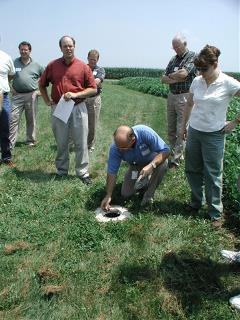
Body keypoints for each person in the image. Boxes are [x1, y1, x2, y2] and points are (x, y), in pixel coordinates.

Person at [180, 45, 240, 227]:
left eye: (204, 69)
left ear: (215, 64)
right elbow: (189, 104)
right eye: (199, 69)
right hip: (195, 131)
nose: (201, 72)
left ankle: (215, 212)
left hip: (214, 135)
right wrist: (184, 126)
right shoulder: (197, 81)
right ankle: (196, 202)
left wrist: (235, 122)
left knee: (213, 173)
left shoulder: (228, 83)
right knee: (192, 169)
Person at [39, 36, 97, 183]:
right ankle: (62, 171)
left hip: (78, 107)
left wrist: (76, 94)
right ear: (60, 48)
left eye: (70, 46)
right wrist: (47, 101)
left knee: (81, 141)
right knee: (61, 141)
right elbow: (42, 84)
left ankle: (82, 172)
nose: (68, 48)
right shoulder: (52, 65)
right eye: (65, 46)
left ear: (75, 46)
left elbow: (92, 89)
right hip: (59, 107)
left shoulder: (83, 67)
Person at [100, 125, 170, 210]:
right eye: (118, 146)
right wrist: (108, 195)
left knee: (163, 164)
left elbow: (166, 151)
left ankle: (148, 196)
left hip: (154, 162)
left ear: (133, 140)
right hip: (135, 166)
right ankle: (145, 181)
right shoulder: (116, 148)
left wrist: (152, 165)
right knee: (126, 194)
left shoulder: (145, 133)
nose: (120, 150)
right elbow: (112, 172)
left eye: (123, 148)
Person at [162, 34, 197, 169]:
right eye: (174, 47)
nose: (175, 49)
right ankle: (174, 152)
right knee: (171, 127)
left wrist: (173, 76)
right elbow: (163, 78)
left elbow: (185, 74)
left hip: (185, 96)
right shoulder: (173, 59)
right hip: (172, 95)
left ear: (185, 44)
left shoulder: (193, 56)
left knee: (181, 128)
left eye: (177, 46)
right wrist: (175, 77)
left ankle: (175, 160)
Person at [9, 41, 44, 148]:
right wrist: (11, 88)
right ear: (19, 50)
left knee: (31, 119)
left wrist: (38, 92)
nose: (23, 51)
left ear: (30, 51)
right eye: (21, 49)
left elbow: (45, 79)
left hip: (31, 95)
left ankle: (30, 140)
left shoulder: (37, 65)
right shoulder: (14, 63)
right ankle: (10, 143)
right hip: (17, 96)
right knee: (13, 119)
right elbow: (8, 77)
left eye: (26, 49)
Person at [85, 49, 105, 152]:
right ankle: (80, 143)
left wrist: (85, 82)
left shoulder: (100, 70)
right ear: (87, 58)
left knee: (92, 124)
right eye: (91, 59)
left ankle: (90, 145)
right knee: (81, 123)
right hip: (82, 99)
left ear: (98, 59)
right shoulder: (83, 68)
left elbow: (96, 82)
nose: (93, 61)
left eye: (95, 59)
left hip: (94, 99)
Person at [0, 48, 15, 167]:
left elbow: (11, 75)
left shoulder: (6, 57)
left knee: (5, 127)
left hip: (2, 96)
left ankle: (6, 157)